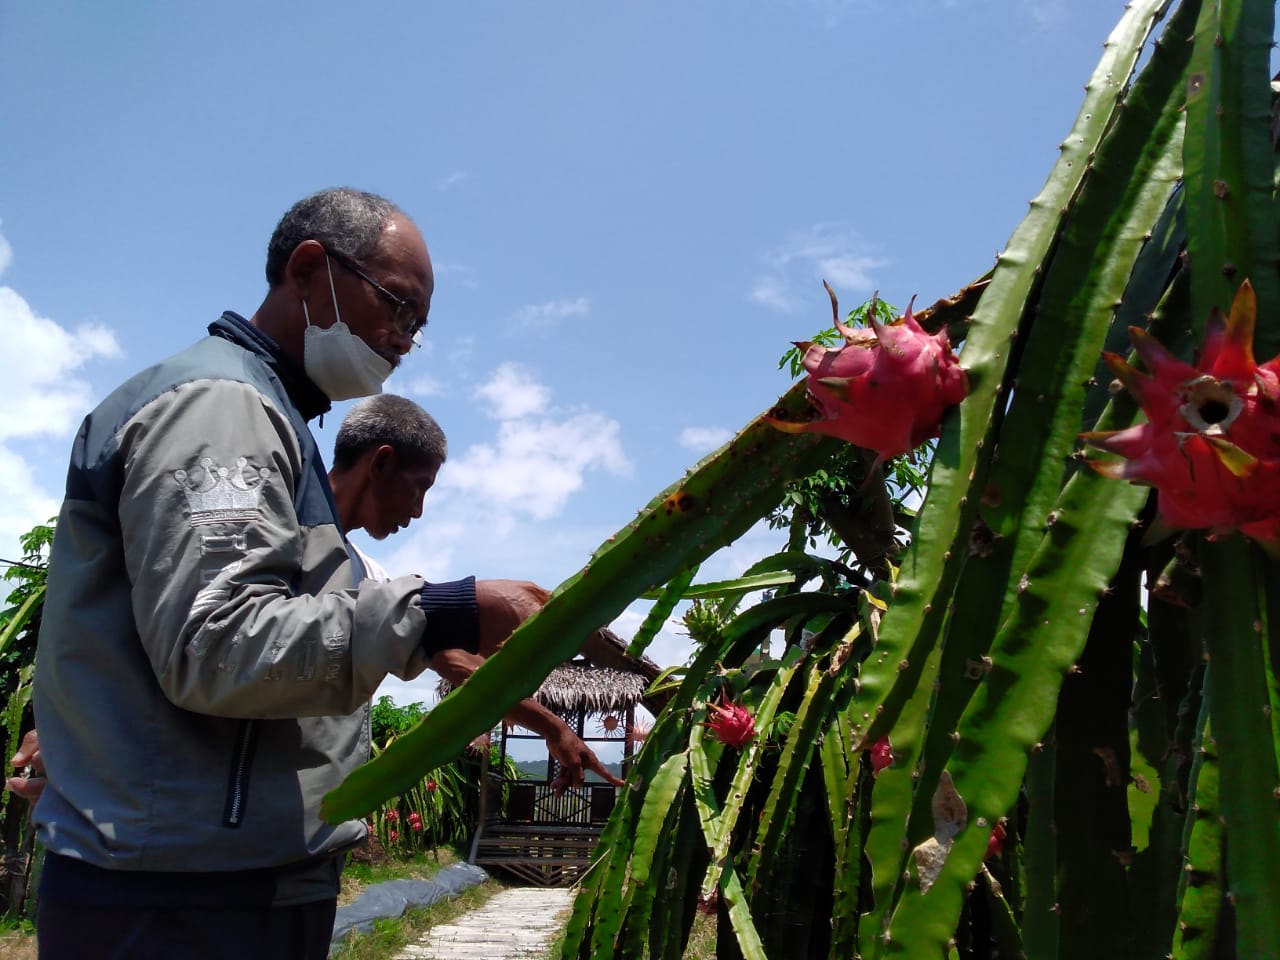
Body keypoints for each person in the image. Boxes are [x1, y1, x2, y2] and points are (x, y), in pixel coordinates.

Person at [26, 188, 596, 960]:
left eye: (418, 326)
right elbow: (215, 643)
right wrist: (444, 608)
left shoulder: (271, 419)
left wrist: (543, 717)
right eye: (399, 306)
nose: (403, 339)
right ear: (310, 270)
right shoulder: (222, 408)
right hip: (181, 892)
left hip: (219, 871)